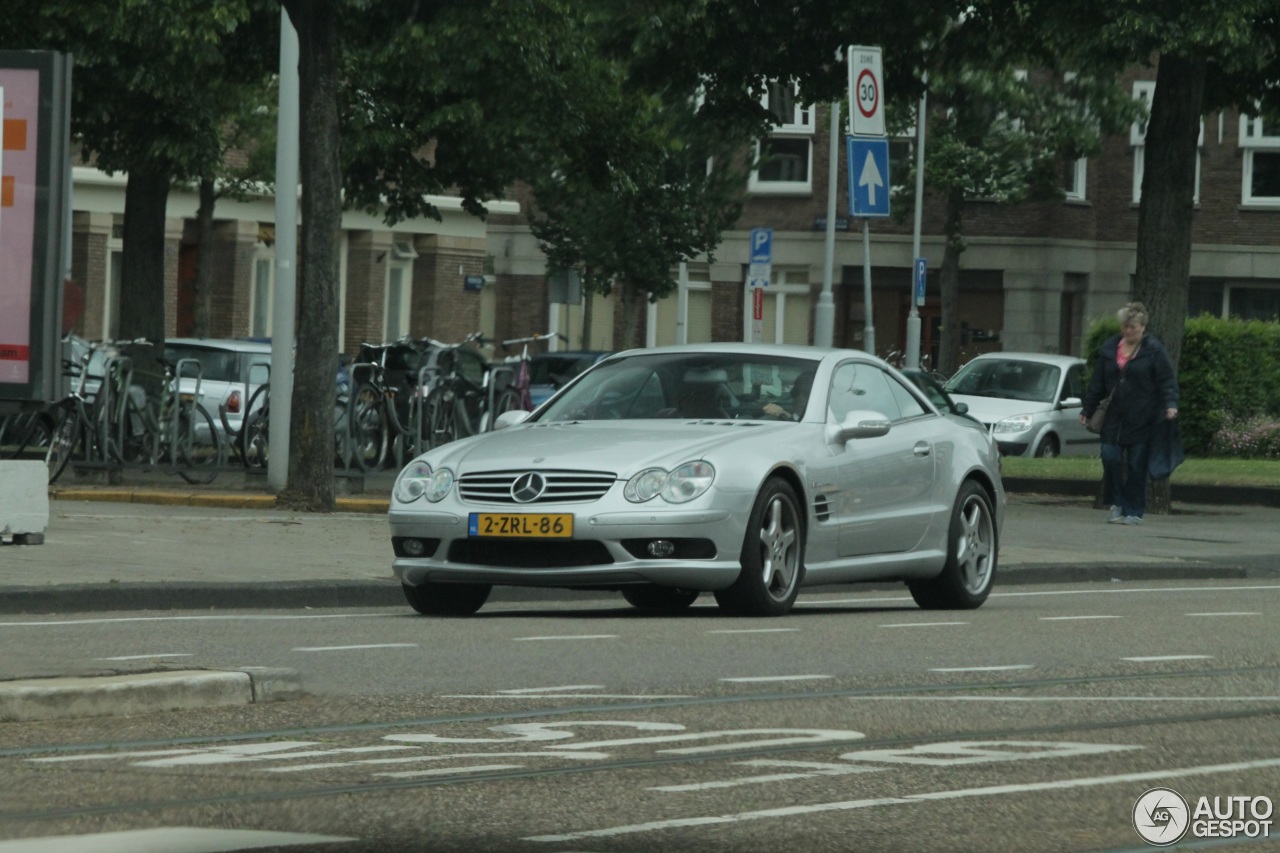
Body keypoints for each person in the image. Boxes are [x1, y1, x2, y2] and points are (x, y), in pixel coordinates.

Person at [1080, 302, 1179, 525]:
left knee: (1136, 466)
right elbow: (1097, 383)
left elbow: (1166, 380)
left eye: (1133, 327)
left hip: (1143, 417)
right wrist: (1088, 409)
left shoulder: (1153, 350)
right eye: (1125, 326)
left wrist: (1170, 404)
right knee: (1110, 457)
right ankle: (1117, 503)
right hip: (1114, 416)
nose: (1128, 331)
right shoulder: (1109, 348)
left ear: (1143, 327)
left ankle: (1134, 509)